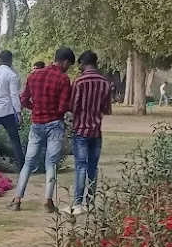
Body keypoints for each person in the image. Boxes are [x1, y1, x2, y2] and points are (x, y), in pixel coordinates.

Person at [12, 46, 75, 212]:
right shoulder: (63, 79)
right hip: (54, 124)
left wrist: (36, 108)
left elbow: (23, 99)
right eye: (69, 65)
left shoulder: (34, 75)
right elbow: (63, 107)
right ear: (66, 62)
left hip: (37, 123)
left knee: (28, 162)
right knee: (51, 163)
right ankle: (48, 201)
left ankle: (18, 199)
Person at [63, 50, 112, 214]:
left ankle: (77, 203)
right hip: (96, 131)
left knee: (80, 166)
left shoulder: (79, 81)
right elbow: (107, 109)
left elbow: (73, 106)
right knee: (93, 167)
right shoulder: (105, 82)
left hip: (81, 130)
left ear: (83, 63)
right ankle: (90, 202)